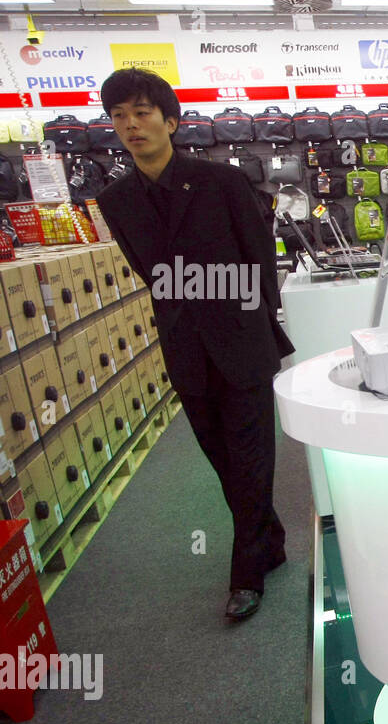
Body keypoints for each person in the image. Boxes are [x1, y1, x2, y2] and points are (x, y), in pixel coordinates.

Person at [96, 68, 294, 620]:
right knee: (224, 460)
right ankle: (269, 542)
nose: (131, 125)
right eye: (119, 116)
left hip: (241, 340)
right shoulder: (115, 200)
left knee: (252, 458)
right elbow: (147, 273)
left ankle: (246, 574)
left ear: (170, 120)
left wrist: (255, 320)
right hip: (184, 347)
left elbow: (259, 257)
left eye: (142, 112)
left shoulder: (221, 183)